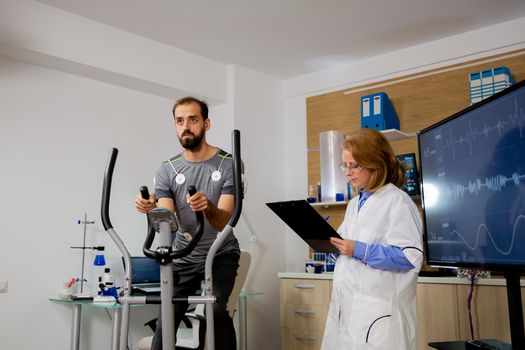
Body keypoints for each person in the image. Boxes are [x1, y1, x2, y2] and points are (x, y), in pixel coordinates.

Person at [135, 96, 240, 350]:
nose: (186, 126)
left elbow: (224, 221)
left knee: (214, 310)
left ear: (206, 123)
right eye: (180, 121)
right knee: (165, 320)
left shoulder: (229, 164)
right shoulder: (167, 169)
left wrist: (208, 206)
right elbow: (168, 223)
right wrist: (151, 209)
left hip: (220, 254)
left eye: (192, 119)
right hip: (183, 255)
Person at [321, 128, 423, 350]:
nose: (347, 173)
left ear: (376, 163)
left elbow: (410, 256)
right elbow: (343, 246)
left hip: (379, 318)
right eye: (345, 166)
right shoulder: (355, 204)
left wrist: (359, 249)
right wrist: (327, 243)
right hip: (348, 311)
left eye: (354, 165)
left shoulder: (398, 202)